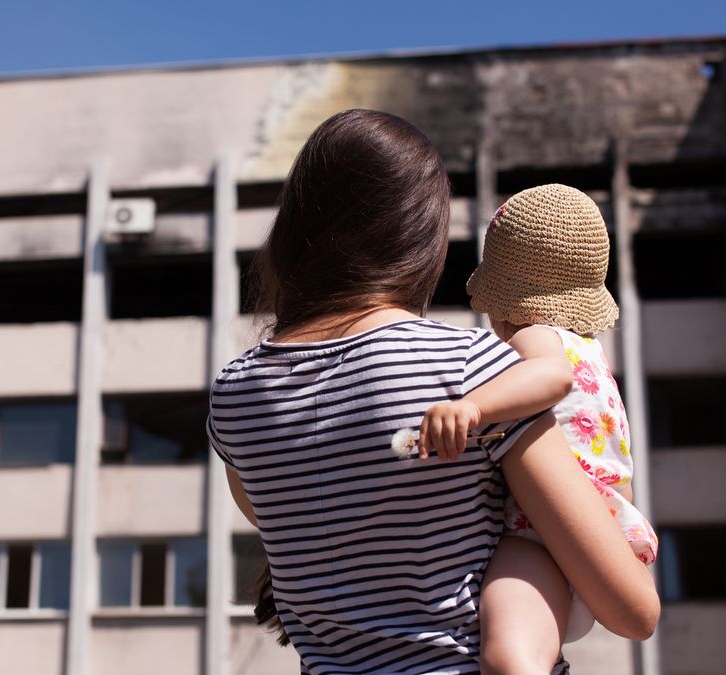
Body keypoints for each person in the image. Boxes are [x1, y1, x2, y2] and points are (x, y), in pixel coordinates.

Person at [207, 109, 658, 674]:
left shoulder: (234, 394)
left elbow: (278, 518)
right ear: (424, 237)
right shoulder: (476, 371)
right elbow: (631, 610)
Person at [416, 184, 658, 674]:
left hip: (540, 539)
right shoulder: (590, 349)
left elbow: (551, 379)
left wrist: (473, 408)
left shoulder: (537, 338)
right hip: (605, 531)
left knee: (510, 659)